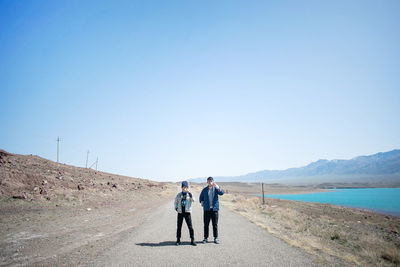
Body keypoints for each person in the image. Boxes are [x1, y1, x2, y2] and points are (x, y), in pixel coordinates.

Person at [199, 176, 224, 244]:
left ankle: (216, 238)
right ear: (207, 182)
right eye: (209, 181)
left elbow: (222, 193)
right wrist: (201, 202)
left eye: (211, 181)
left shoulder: (216, 189)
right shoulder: (204, 190)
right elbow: (201, 197)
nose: (210, 182)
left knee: (215, 224)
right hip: (207, 210)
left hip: (214, 210)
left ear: (213, 182)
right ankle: (205, 238)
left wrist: (217, 186)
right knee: (206, 224)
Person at [174, 181, 197, 246]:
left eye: (186, 187)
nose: (185, 188)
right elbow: (175, 202)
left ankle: (192, 240)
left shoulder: (189, 194)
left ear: (187, 187)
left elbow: (194, 200)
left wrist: (191, 194)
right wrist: (176, 208)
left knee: (190, 227)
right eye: (183, 187)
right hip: (180, 212)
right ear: (181, 187)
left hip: (187, 212)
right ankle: (178, 240)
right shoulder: (179, 195)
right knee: (179, 227)